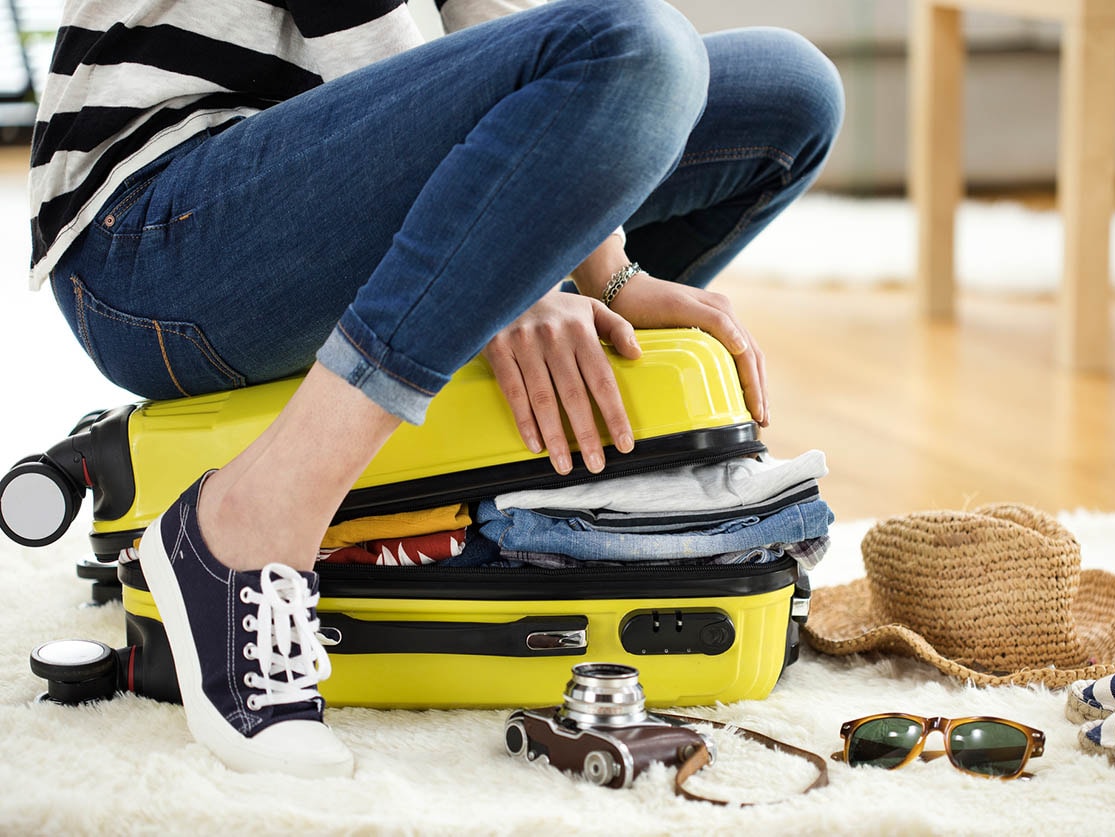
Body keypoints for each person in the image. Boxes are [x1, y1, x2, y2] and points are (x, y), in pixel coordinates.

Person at [29, 0, 843, 777]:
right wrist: (513, 278)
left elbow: (508, 26)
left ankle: (518, 460)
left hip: (333, 182)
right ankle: (249, 523)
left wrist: (606, 271)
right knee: (635, 49)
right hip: (155, 232)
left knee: (785, 91)